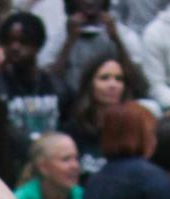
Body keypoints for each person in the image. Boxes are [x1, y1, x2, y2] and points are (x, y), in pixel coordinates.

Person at [0, 9, 61, 181]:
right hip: (10, 173)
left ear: (38, 44)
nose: (15, 47)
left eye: (23, 42)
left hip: (51, 172)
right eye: (9, 42)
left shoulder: (56, 86)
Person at [61, 45, 150, 176]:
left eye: (119, 79)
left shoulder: (136, 127)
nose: (113, 85)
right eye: (104, 78)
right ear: (90, 84)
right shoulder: (72, 130)